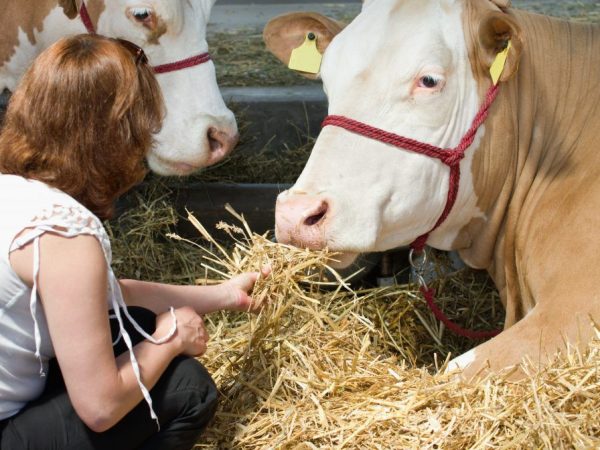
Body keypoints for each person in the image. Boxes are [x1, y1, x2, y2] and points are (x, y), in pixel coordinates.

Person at [0, 34, 267, 449]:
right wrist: (170, 339)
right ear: (120, 131)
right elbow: (101, 409)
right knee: (186, 388)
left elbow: (105, 295)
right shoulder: (66, 231)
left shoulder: (13, 192)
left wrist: (224, 296)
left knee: (133, 325)